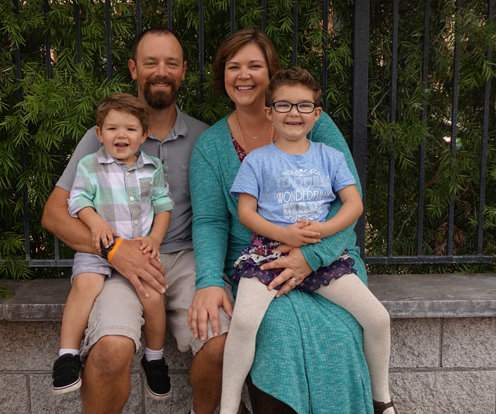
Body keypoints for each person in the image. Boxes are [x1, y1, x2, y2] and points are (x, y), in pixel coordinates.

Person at [42, 28, 233, 414]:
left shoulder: (206, 138)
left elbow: (223, 215)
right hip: (116, 265)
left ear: (182, 73)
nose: (160, 71)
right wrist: (116, 251)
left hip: (183, 258)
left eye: (170, 63)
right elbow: (54, 215)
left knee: (221, 344)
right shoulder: (105, 136)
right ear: (133, 69)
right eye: (150, 62)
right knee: (111, 349)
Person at [189, 28, 376, 413]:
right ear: (222, 75)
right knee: (275, 330)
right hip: (260, 262)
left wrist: (313, 256)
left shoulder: (312, 124)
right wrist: (209, 280)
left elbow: (349, 203)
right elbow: (210, 221)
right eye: (233, 66)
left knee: (341, 331)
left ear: (271, 74)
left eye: (255, 66)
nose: (243, 75)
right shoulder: (211, 146)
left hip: (330, 253)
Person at [220, 67, 396, 414]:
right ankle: (228, 408)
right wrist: (283, 234)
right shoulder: (257, 161)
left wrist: (321, 233)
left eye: (303, 106)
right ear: (269, 112)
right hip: (268, 255)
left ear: (316, 115)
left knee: (377, 318)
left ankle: (382, 400)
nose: (293, 113)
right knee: (243, 323)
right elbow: (246, 213)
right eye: (283, 105)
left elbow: (354, 204)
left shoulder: (330, 157)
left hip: (322, 256)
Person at [52, 92, 174, 400]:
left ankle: (154, 357)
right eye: (112, 128)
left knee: (152, 295)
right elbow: (76, 200)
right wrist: (95, 223)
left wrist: (155, 239)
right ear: (99, 134)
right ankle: (67, 355)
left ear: (144, 135)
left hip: (139, 250)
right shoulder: (89, 166)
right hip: (100, 246)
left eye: (131, 129)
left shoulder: (152, 167)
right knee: (85, 284)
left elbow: (163, 206)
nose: (121, 135)